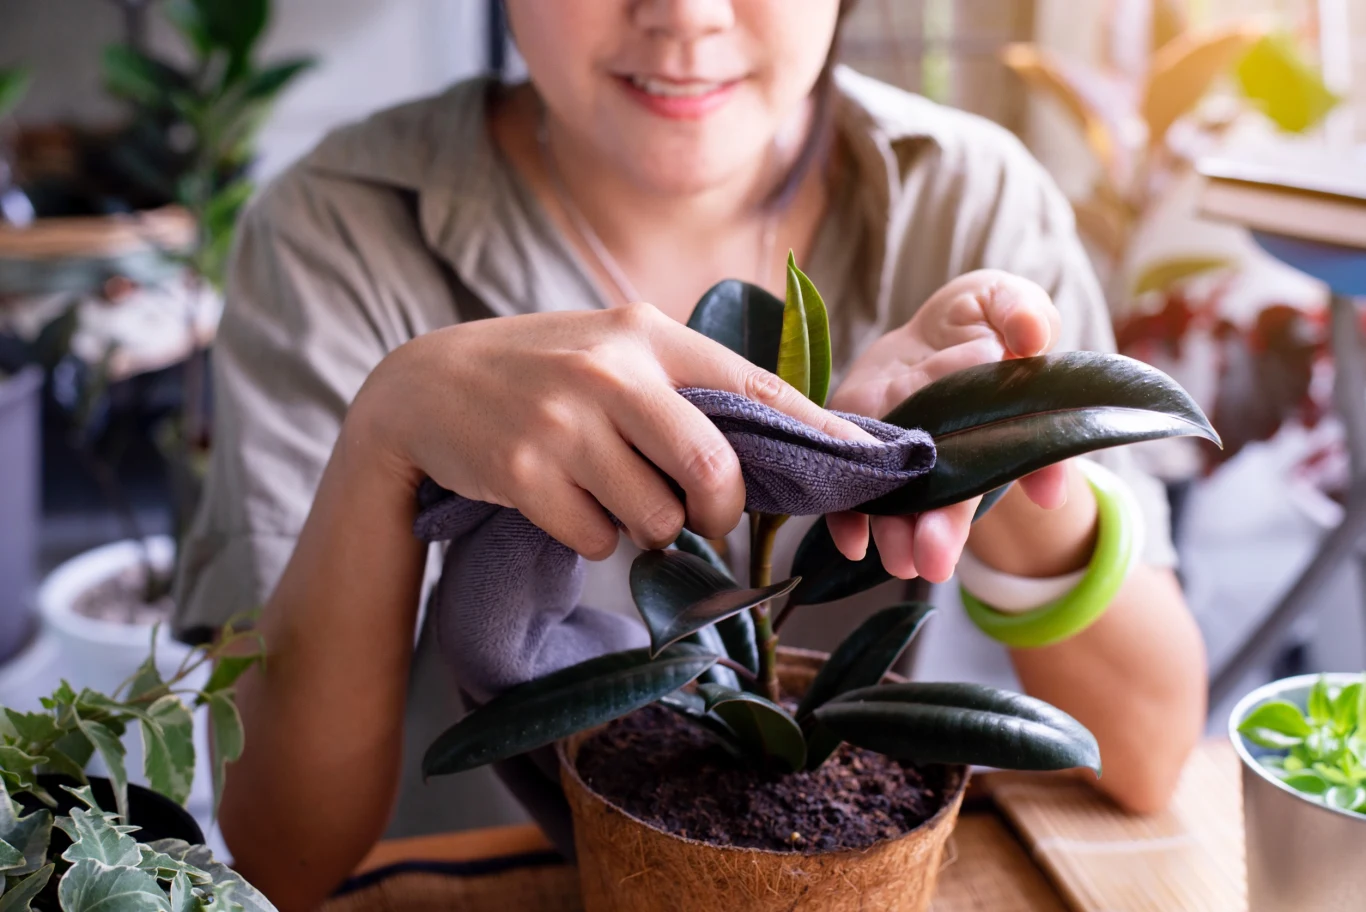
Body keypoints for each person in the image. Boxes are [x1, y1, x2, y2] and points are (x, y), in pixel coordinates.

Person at [173, 1, 1208, 908]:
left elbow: (1147, 748)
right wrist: (386, 433)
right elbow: (277, 856)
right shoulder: (341, 230)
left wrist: (1001, 458)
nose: (682, 14)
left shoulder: (963, 201)